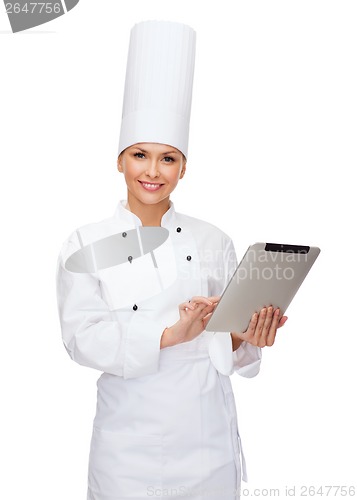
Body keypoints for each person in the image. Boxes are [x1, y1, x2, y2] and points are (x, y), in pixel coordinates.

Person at [56, 21, 287, 500]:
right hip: (129, 446)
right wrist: (166, 335)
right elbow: (82, 338)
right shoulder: (87, 241)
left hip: (208, 442)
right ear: (120, 160)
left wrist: (247, 335)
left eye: (168, 159)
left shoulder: (213, 239)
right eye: (140, 155)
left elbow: (228, 338)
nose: (152, 171)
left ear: (184, 167)